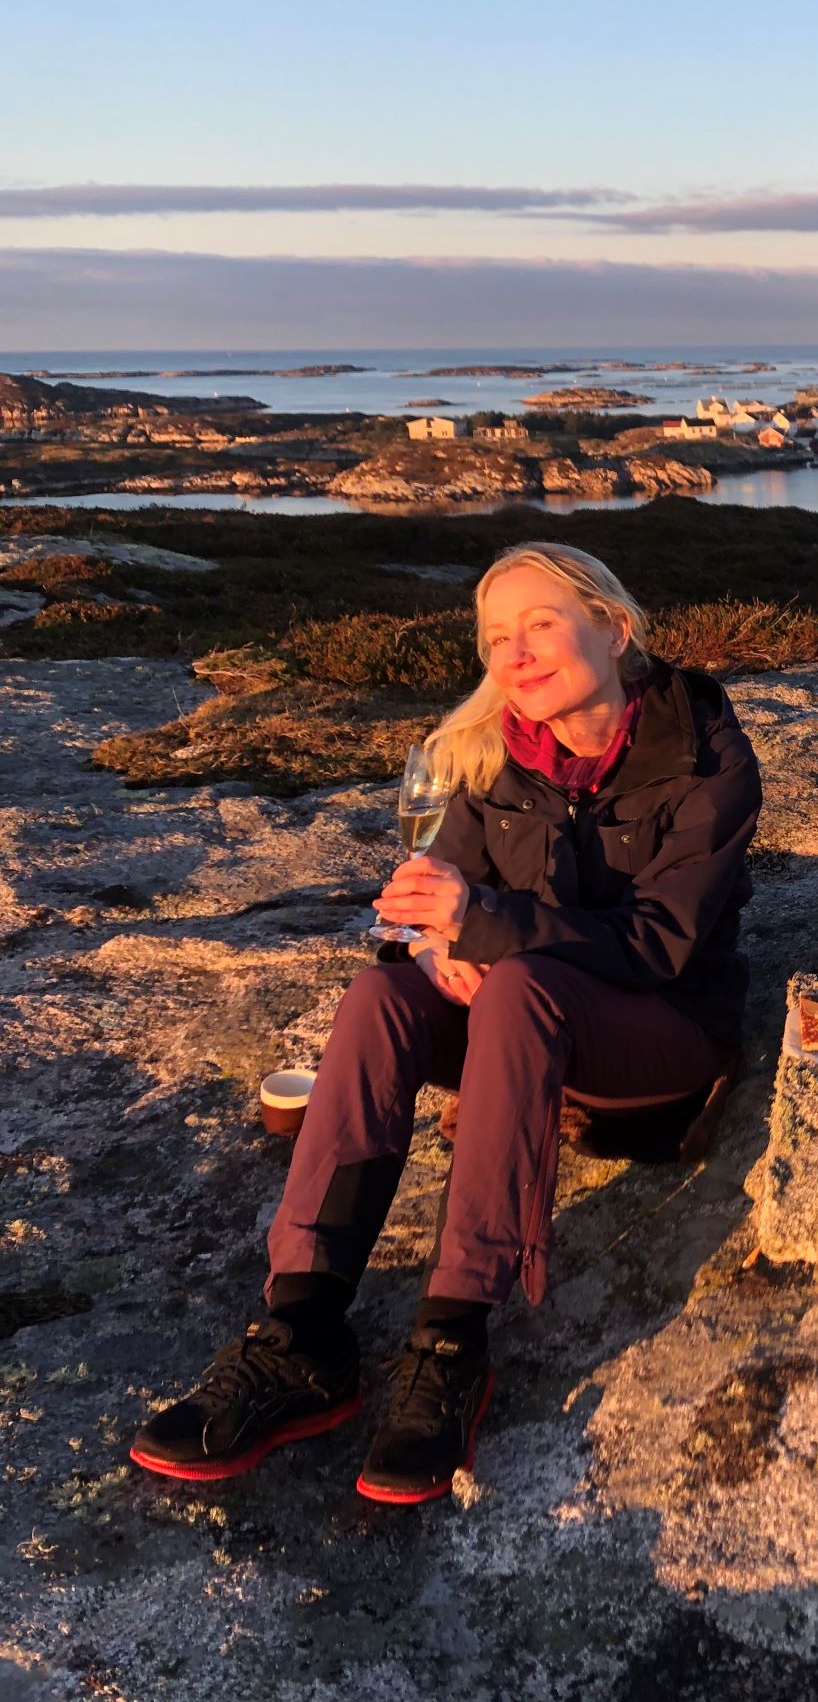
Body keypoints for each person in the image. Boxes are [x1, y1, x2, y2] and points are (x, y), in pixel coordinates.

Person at [131, 543, 761, 1504]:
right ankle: (301, 1328)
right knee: (382, 995)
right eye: (496, 636)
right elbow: (430, 909)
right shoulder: (493, 755)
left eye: (540, 624)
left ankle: (453, 1337)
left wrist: (488, 928)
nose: (515, 652)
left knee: (515, 987)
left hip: (664, 1033)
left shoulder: (706, 752)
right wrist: (430, 948)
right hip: (528, 1026)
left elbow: (661, 945)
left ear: (616, 627)